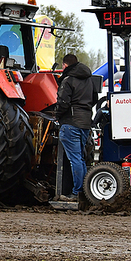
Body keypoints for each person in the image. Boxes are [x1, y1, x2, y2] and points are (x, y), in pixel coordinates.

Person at [54, 54, 94, 202]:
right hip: (85, 123)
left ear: (65, 65)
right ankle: (84, 190)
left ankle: (77, 192)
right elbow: (94, 98)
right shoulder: (89, 79)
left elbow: (63, 102)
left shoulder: (68, 80)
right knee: (81, 158)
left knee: (74, 159)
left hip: (71, 123)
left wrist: (57, 115)